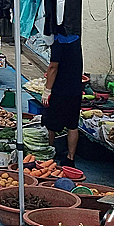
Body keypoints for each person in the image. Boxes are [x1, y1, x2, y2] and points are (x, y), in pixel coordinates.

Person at [41, 33, 83, 166]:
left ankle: (48, 156)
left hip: (59, 90)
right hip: (75, 89)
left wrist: (47, 89)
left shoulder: (58, 42)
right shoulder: (76, 41)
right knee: (72, 125)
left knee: (50, 124)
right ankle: (70, 159)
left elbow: (53, 67)